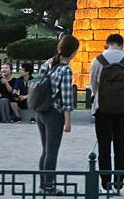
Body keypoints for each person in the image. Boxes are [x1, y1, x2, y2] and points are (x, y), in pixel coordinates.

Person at [90, 33, 124, 193]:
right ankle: (118, 184)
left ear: (107, 43)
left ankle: (106, 184)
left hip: (102, 109)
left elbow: (93, 85)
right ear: (121, 44)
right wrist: (123, 100)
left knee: (104, 148)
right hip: (123, 110)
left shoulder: (98, 61)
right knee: (120, 147)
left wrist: (101, 98)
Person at [37, 35, 79, 195]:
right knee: (52, 152)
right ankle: (49, 186)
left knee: (45, 150)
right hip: (54, 113)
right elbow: (67, 98)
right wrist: (68, 121)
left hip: (41, 110)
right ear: (73, 52)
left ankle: (43, 184)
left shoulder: (47, 63)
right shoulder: (65, 70)